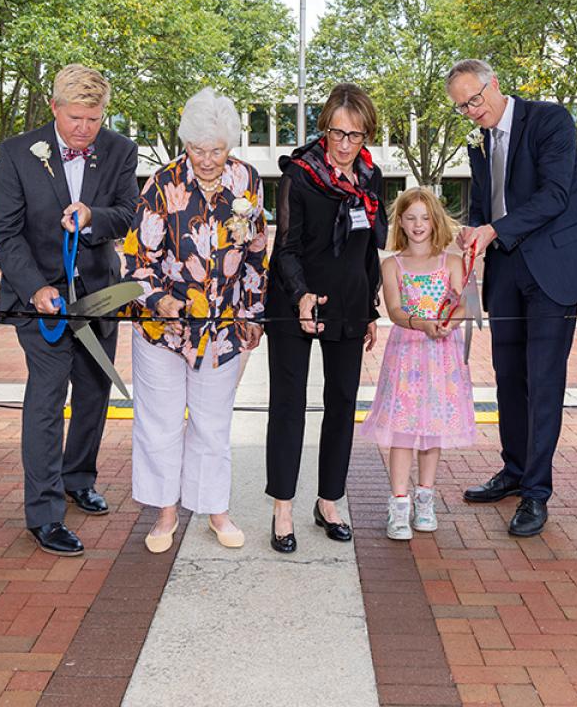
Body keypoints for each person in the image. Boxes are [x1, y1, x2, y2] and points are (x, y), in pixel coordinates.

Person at [448, 59, 577, 538]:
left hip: (551, 269)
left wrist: (496, 228)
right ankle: (514, 471)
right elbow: (484, 201)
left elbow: (558, 194)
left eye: (475, 99)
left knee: (543, 381)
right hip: (506, 271)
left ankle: (536, 493)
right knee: (508, 377)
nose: (471, 111)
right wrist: (473, 232)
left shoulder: (549, 120)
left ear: (494, 84)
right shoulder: (479, 140)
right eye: (462, 107)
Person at [0, 64, 138, 556]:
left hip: (99, 294)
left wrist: (94, 217)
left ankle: (79, 477)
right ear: (54, 108)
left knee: (94, 391)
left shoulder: (120, 149)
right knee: (48, 398)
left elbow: (129, 213)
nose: (84, 129)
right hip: (41, 299)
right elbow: (5, 233)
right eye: (75, 117)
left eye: (94, 119)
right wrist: (34, 287)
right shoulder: (16, 152)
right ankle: (45, 514)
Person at [123, 88, 268, 552]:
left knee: (212, 421)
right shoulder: (162, 185)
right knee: (160, 421)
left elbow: (257, 253)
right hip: (163, 330)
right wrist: (159, 301)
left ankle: (215, 511)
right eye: (197, 150)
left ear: (230, 147)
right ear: (185, 144)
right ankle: (165, 513)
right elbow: (137, 260)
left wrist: (253, 314)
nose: (206, 160)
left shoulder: (247, 180)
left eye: (217, 150)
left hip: (221, 327)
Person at [266, 83, 385, 553]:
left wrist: (370, 305)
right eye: (337, 132)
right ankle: (282, 507)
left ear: (366, 136)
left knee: (342, 402)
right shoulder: (299, 174)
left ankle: (329, 500)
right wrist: (300, 296)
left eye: (355, 136)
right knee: (289, 404)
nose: (344, 144)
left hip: (350, 302)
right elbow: (286, 248)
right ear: (324, 129)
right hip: (295, 300)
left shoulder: (370, 178)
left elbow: (369, 249)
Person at [358, 187, 477, 540]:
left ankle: (426, 499)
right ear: (401, 223)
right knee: (404, 429)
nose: (418, 224)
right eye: (410, 218)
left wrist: (447, 325)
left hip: (442, 355)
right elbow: (394, 310)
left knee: (432, 429)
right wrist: (421, 324)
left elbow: (464, 304)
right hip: (407, 353)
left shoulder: (452, 261)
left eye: (425, 217)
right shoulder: (391, 264)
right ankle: (399, 504)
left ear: (436, 220)